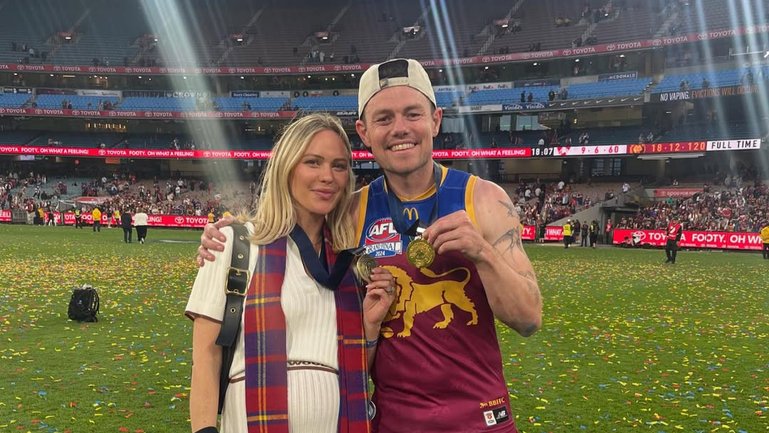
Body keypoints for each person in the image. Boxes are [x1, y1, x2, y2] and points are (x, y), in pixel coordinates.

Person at [198, 58, 542, 433]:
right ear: (363, 131)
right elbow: (291, 233)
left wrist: (482, 253)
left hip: (479, 418)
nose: (400, 129)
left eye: (413, 114)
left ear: (436, 120)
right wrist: (231, 232)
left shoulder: (485, 200)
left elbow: (528, 320)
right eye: (383, 118)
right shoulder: (348, 214)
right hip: (390, 421)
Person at [187, 113, 396, 433]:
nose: (328, 176)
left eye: (339, 166)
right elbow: (206, 358)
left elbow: (355, 370)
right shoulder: (234, 243)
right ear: (287, 167)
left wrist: (369, 326)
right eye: (313, 162)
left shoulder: (350, 265)